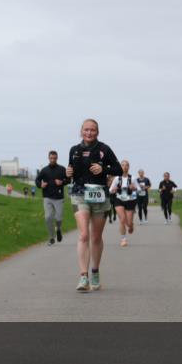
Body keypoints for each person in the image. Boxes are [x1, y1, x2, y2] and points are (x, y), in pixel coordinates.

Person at [66, 119, 122, 292]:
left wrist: (103, 169)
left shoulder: (104, 149)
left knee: (96, 237)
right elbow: (71, 172)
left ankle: (95, 271)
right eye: (86, 130)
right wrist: (68, 172)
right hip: (79, 195)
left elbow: (118, 169)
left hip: (100, 196)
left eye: (92, 130)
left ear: (97, 132)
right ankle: (83, 277)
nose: (89, 133)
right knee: (83, 235)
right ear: (81, 131)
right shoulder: (74, 150)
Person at [34, 150, 68, 245]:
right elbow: (37, 180)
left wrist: (62, 182)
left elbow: (69, 179)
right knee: (48, 217)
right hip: (47, 197)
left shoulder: (62, 169)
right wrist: (41, 185)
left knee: (58, 218)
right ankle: (51, 237)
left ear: (57, 158)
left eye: (54, 158)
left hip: (59, 197)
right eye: (51, 158)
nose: (53, 160)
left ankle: (59, 229)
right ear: (48, 158)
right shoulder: (44, 170)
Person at [109, 160, 140, 247]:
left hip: (130, 201)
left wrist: (134, 188)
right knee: (122, 219)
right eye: (122, 165)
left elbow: (139, 189)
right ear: (120, 167)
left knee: (128, 223)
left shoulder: (133, 178)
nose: (124, 167)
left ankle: (131, 225)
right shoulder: (117, 178)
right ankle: (123, 239)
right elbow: (110, 190)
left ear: (128, 167)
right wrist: (113, 190)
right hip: (119, 200)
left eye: (126, 165)